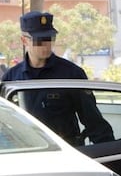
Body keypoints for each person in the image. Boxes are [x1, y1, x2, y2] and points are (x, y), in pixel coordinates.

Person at [1, 11, 114, 146]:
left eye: (50, 38)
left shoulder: (71, 74)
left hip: (64, 152)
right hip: (27, 153)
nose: (46, 45)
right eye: (39, 40)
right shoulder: (11, 78)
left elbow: (93, 120)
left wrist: (110, 154)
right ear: (24, 40)